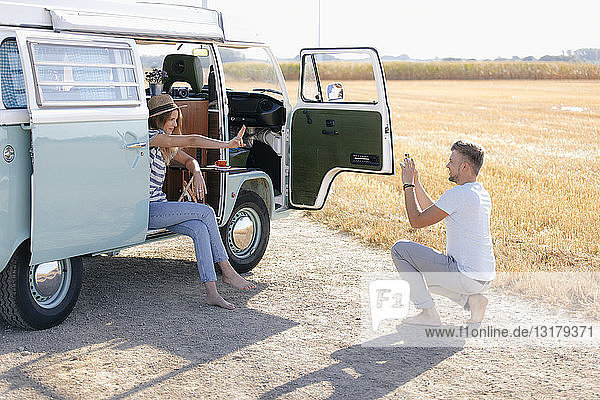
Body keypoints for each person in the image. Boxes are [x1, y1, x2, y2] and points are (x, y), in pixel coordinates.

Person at [146, 94, 255, 310]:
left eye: (176, 119)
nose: (175, 124)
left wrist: (196, 171)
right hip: (148, 210)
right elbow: (193, 140)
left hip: (160, 206)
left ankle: (212, 293)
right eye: (171, 120)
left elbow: (189, 159)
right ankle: (228, 271)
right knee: (205, 212)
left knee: (200, 228)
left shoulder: (165, 144)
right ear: (158, 120)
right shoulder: (150, 137)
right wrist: (227, 144)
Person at [391, 140, 496, 325]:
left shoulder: (458, 194)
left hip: (465, 276)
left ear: (464, 166)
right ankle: (472, 301)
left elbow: (416, 221)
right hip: (483, 278)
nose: (447, 165)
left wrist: (407, 185)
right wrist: (416, 182)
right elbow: (433, 209)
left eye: (451, 161)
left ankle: (428, 314)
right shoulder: (479, 193)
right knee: (422, 281)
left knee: (399, 249)